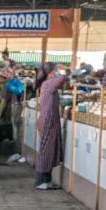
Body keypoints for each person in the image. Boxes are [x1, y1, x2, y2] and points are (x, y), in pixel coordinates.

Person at [33, 62, 68, 190]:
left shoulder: (46, 84)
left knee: (49, 150)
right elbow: (62, 79)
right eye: (54, 71)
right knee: (46, 151)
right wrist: (64, 71)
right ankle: (40, 181)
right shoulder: (48, 84)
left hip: (49, 120)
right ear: (51, 72)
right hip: (48, 120)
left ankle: (46, 180)